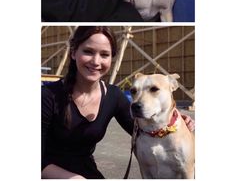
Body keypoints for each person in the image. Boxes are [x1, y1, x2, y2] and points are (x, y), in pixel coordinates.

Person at [41, 26, 194, 179]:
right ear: (73, 52)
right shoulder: (47, 96)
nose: (96, 61)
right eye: (88, 51)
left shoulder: (113, 95)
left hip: (85, 171)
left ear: (111, 58)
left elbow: (139, 126)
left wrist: (175, 121)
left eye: (104, 54)